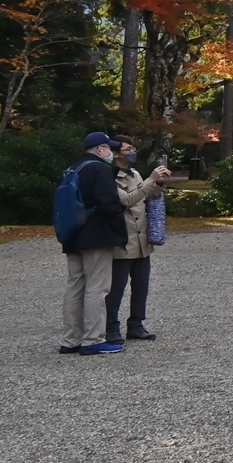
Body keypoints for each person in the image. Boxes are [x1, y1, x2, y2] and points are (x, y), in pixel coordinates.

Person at [59, 131, 130, 356]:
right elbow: (109, 203)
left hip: (73, 235)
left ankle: (71, 339)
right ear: (100, 149)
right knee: (97, 288)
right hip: (97, 235)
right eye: (109, 148)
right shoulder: (100, 169)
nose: (111, 152)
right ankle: (93, 339)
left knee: (75, 287)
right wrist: (119, 231)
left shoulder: (73, 169)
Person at [106, 137, 170, 343]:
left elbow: (148, 194)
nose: (132, 151)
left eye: (133, 148)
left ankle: (136, 324)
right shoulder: (108, 177)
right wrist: (151, 180)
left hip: (143, 240)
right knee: (116, 287)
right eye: (128, 149)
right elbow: (126, 200)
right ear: (116, 153)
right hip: (123, 239)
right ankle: (111, 326)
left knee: (141, 285)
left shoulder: (134, 173)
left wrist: (159, 184)